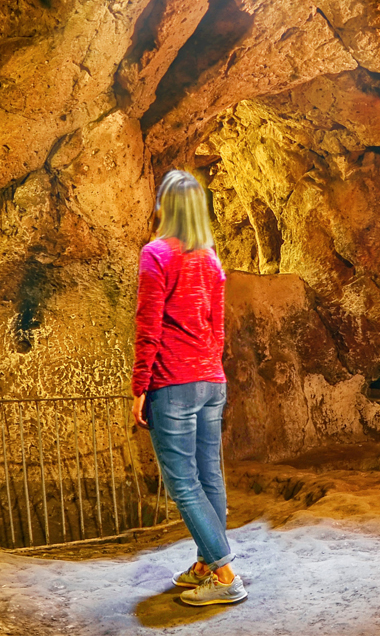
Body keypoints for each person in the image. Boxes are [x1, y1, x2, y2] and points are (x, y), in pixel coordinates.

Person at [131, 169, 245, 607]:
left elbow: (149, 325)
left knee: (182, 483)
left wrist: (140, 385)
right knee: (210, 475)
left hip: (173, 382)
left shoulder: (156, 255)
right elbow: (218, 329)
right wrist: (210, 370)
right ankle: (204, 563)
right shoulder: (211, 260)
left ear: (165, 207)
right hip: (210, 380)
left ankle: (225, 573)